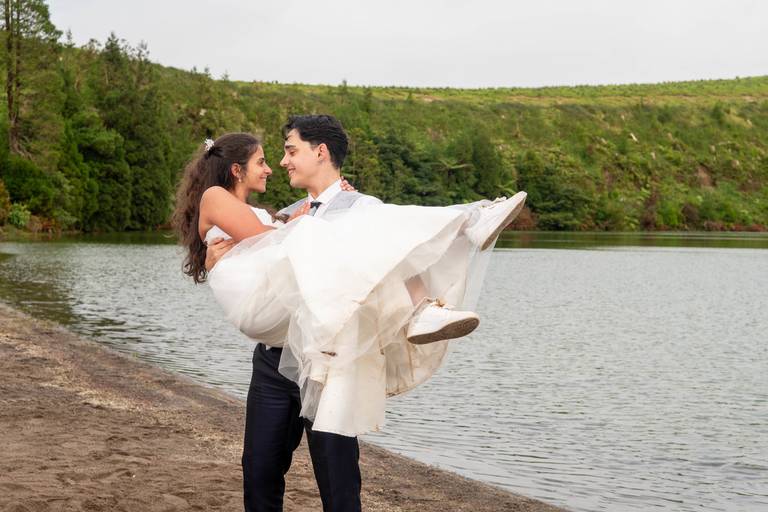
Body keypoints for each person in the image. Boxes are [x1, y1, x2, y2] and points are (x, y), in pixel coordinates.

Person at [173, 115, 526, 512]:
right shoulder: (288, 214)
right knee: (260, 470)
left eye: (290, 151)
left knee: (337, 476)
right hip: (274, 359)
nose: (280, 163)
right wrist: (223, 256)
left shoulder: (364, 210)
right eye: (269, 159)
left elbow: (395, 250)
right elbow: (259, 250)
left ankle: (455, 250)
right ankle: (456, 243)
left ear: (320, 152)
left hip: (329, 358)